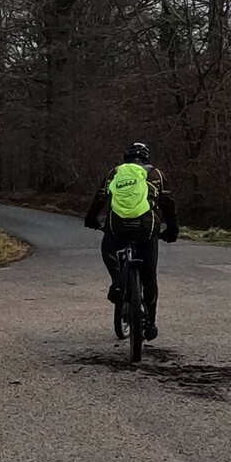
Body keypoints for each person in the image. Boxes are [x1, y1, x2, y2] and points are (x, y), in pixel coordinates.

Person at [84, 142, 179, 341]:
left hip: (117, 227)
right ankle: (150, 323)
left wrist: (91, 218)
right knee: (149, 274)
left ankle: (118, 282)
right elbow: (168, 204)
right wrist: (172, 229)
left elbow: (100, 197)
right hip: (147, 228)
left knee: (109, 249)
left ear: (126, 157)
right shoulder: (156, 174)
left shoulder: (114, 173)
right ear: (146, 157)